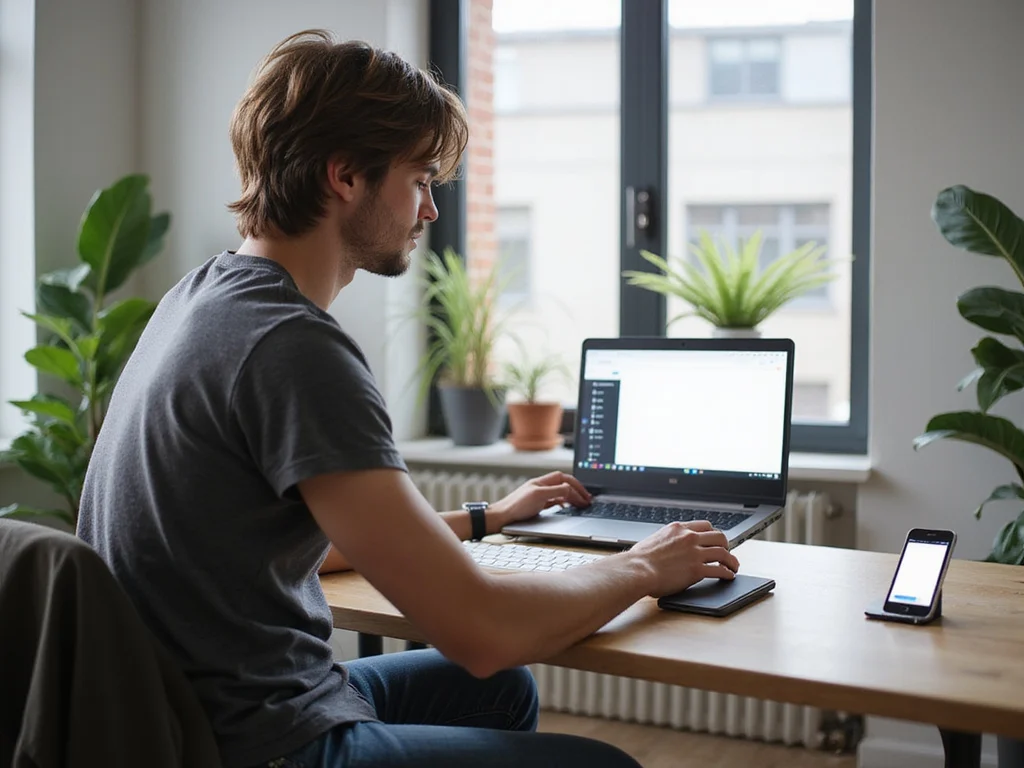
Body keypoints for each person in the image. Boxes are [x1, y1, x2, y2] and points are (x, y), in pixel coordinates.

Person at [77, 30, 740, 768]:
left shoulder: (198, 297)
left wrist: (486, 517)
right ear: (345, 178)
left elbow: (276, 534)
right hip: (255, 741)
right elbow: (481, 630)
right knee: (601, 761)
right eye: (421, 179)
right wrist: (647, 566)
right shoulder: (293, 345)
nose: (429, 210)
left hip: (183, 710)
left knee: (499, 692)